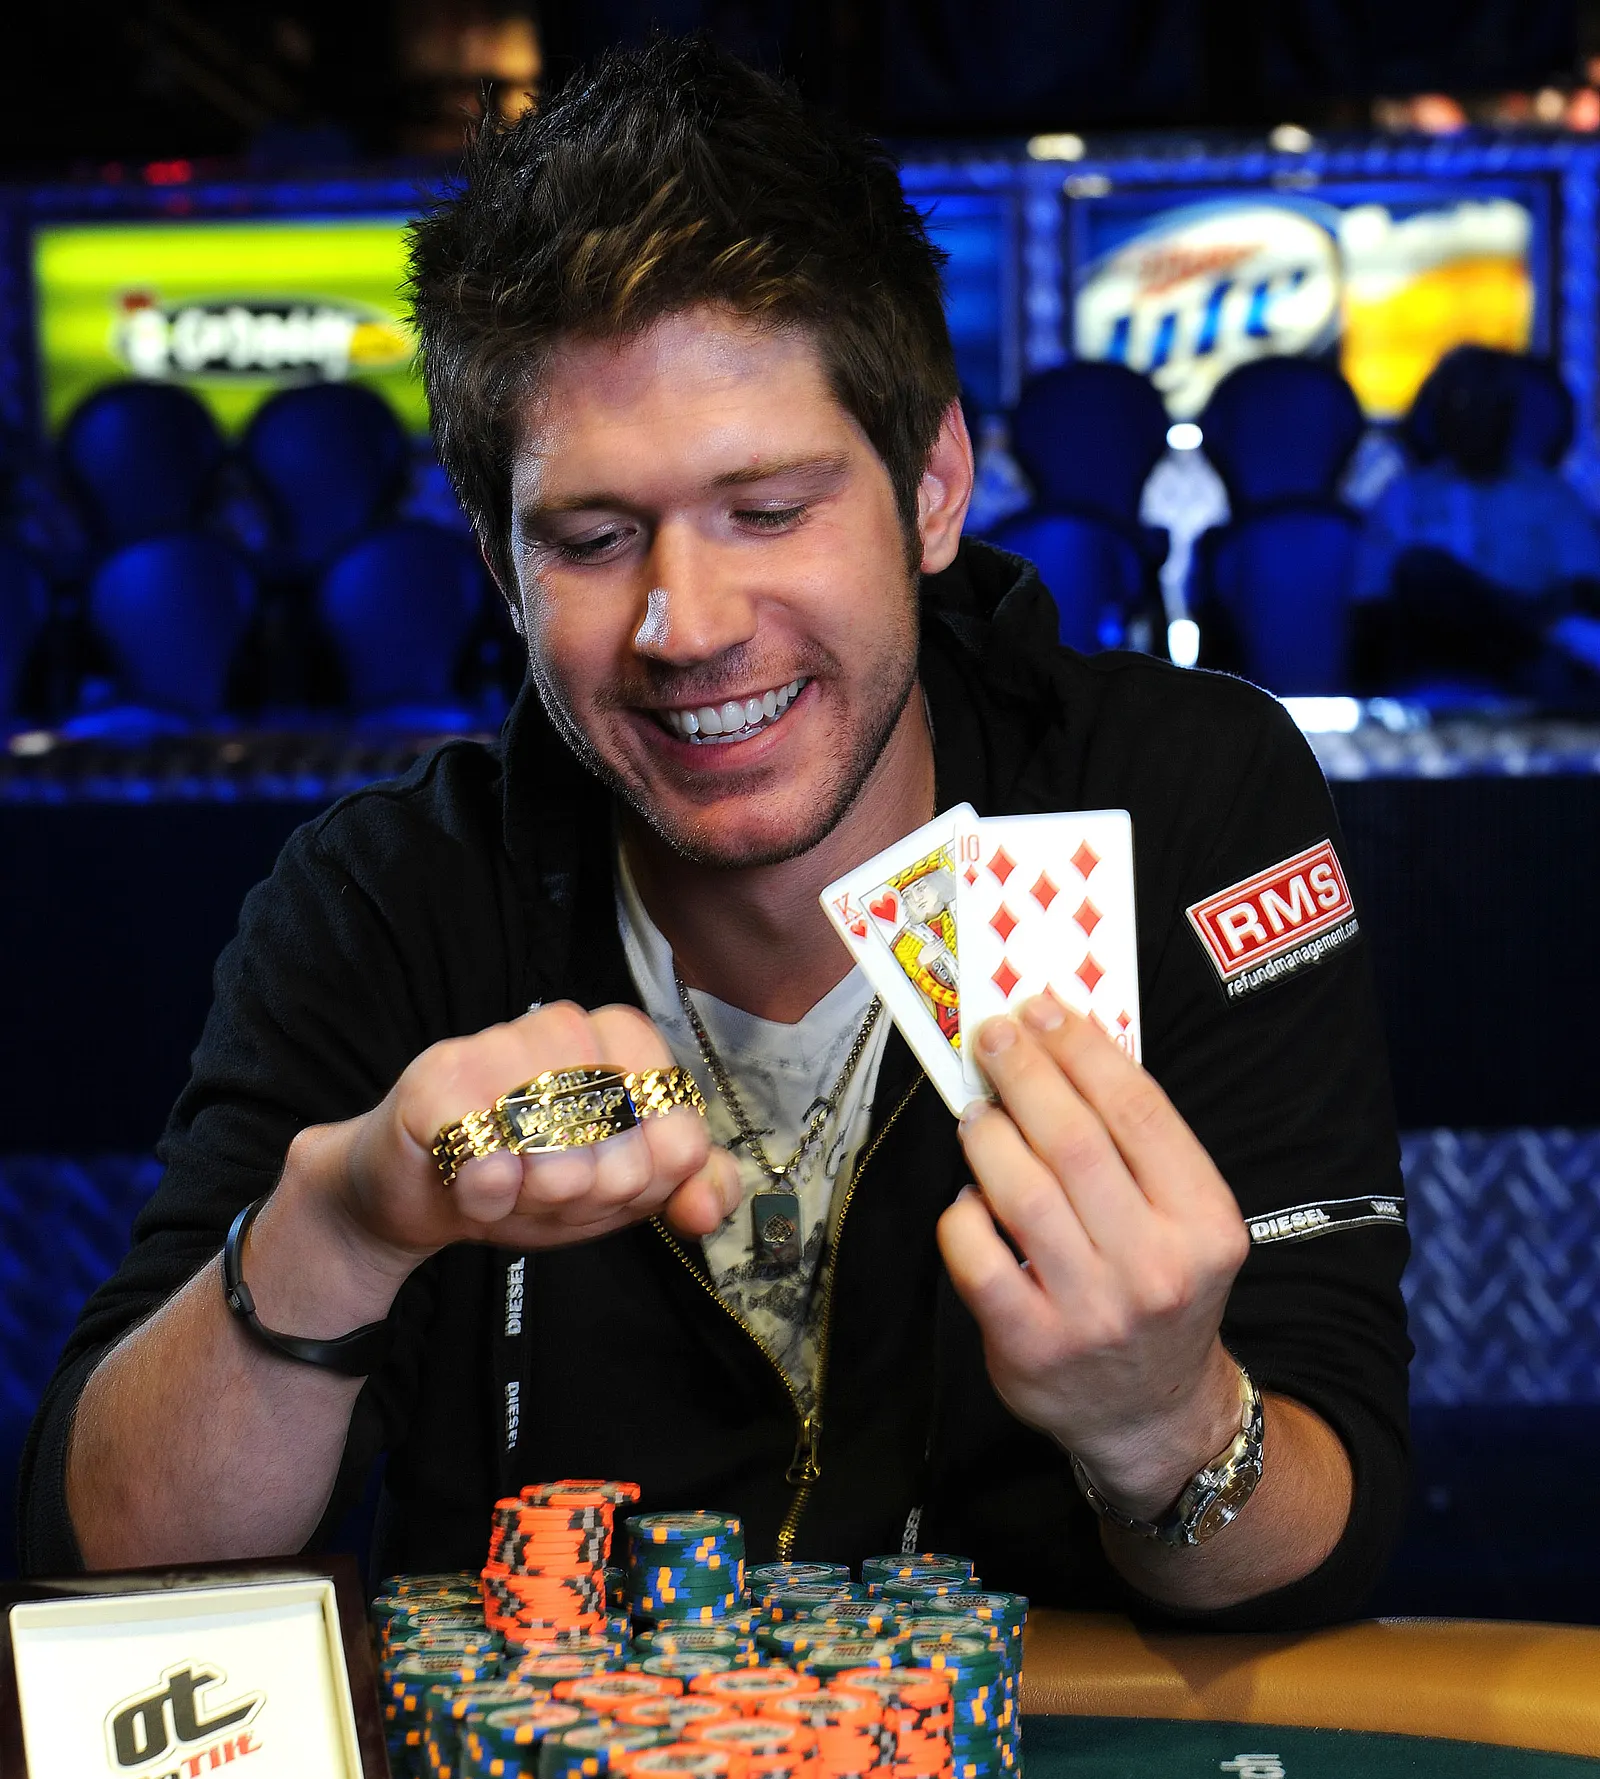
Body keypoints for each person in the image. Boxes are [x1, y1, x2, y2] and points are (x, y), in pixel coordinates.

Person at [21, 38, 1409, 1628]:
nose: (687, 625)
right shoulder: (390, 901)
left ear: (933, 486)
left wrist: (1166, 1423)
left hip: (1066, 1764)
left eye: (768, 510)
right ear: (499, 564)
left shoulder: (1185, 797)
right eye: (596, 537)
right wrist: (338, 1227)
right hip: (564, 1775)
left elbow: (1332, 1513)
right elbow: (113, 1576)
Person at [1352, 344, 1600, 704]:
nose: (1475, 418)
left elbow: (1585, 590)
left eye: (1490, 404)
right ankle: (1525, 637)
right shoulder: (1402, 497)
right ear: (1438, 417)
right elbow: (1370, 610)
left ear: (1509, 415)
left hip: (1532, 677)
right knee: (1421, 570)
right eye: (1460, 404)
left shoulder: (1552, 497)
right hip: (1434, 669)